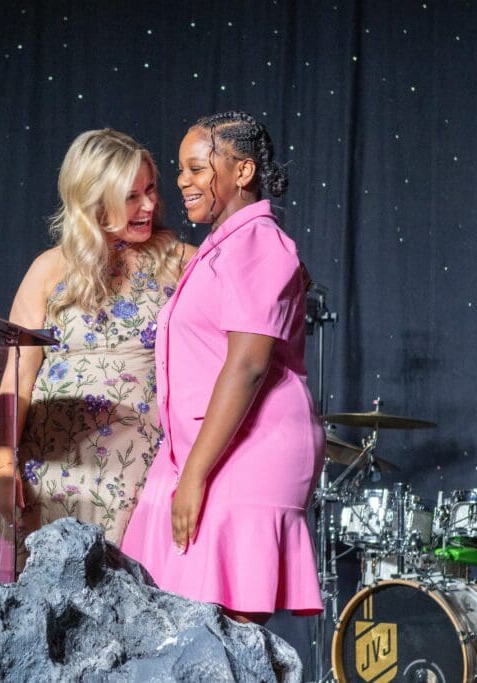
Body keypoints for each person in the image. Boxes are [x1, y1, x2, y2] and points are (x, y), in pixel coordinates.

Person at [121, 112, 324, 623]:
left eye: (196, 168)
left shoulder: (257, 243)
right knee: (166, 628)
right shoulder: (224, 246)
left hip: (246, 452)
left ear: (243, 171)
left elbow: (249, 365)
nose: (182, 181)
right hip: (198, 453)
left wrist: (194, 475)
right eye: (181, 170)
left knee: (222, 641)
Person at [0, 128, 195, 568]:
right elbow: (18, 377)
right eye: (131, 196)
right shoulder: (48, 269)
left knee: (128, 595)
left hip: (139, 473)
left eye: (150, 189)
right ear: (94, 200)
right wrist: (4, 466)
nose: (149, 205)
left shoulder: (182, 262)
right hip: (50, 469)